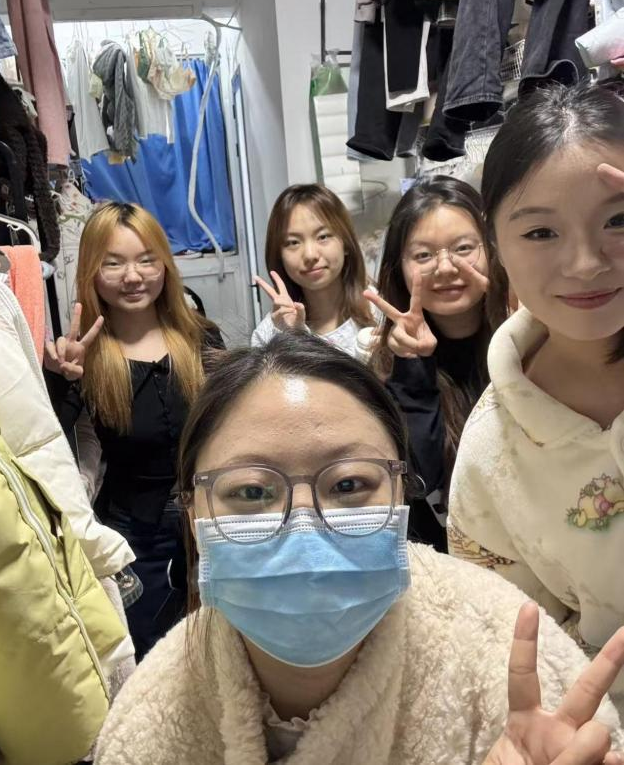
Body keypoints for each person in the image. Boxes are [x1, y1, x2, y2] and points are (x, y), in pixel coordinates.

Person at [95, 334, 624, 765]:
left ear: (401, 493)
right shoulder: (150, 721)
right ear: (193, 514)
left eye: (348, 484)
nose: (304, 529)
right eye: (252, 491)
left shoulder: (510, 665)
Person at [448, 81, 624, 714]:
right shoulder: (491, 454)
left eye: (619, 220)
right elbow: (516, 652)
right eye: (542, 232)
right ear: (493, 245)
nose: (585, 262)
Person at [44, 201, 224, 661]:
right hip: (133, 539)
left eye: (147, 260)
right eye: (113, 263)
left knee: (221, 651)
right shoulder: (83, 357)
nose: (133, 276)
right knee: (150, 659)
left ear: (165, 264)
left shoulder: (200, 338)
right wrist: (61, 382)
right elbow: (51, 451)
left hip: (212, 524)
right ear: (91, 271)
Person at [365, 176, 490, 552]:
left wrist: (521, 338)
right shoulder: (388, 367)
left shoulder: (534, 339)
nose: (446, 267)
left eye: (464, 248)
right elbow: (420, 481)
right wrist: (412, 367)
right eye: (423, 255)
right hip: (448, 564)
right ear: (399, 269)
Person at [252, 183, 376, 359]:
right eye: (293, 242)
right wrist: (292, 337)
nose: (310, 255)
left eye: (323, 237)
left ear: (346, 243)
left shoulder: (381, 310)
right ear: (279, 255)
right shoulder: (267, 335)